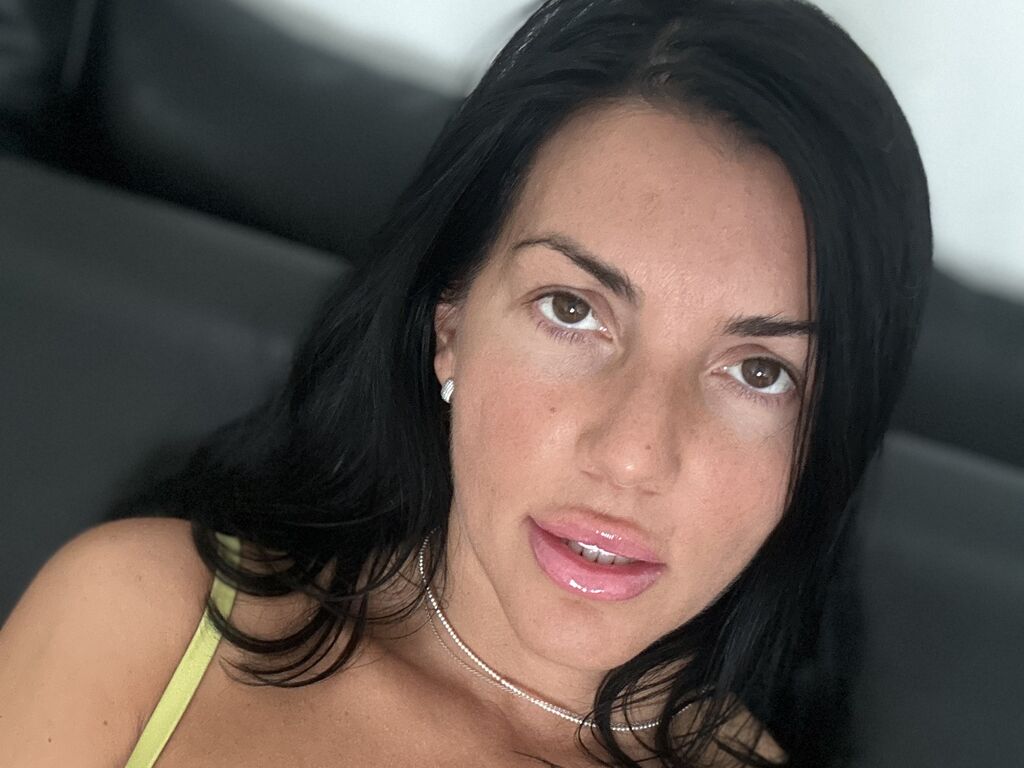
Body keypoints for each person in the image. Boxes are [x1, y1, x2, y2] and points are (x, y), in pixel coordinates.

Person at [0, 0, 931, 766]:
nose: (634, 454)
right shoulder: (140, 623)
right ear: (450, 324)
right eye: (572, 309)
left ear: (824, 442)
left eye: (759, 371)